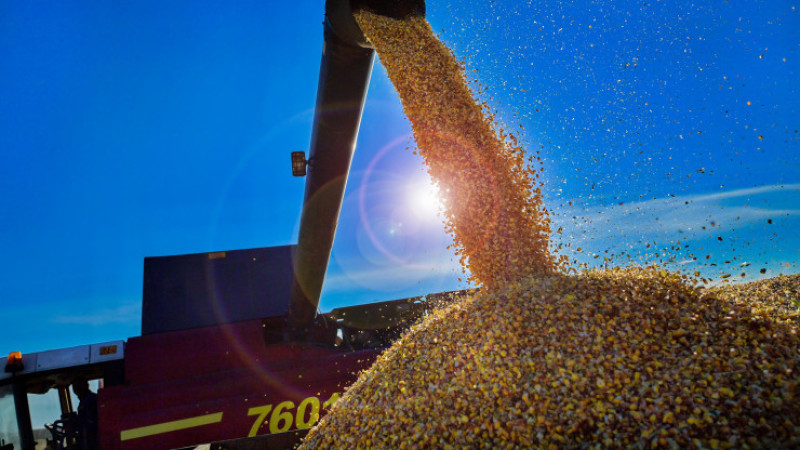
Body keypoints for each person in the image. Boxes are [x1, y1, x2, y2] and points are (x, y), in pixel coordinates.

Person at [71, 377, 99, 450]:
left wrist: (75, 424)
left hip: (93, 442)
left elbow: (87, 424)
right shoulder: (84, 401)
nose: (76, 389)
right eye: (74, 386)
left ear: (86, 385)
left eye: (78, 385)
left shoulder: (91, 400)